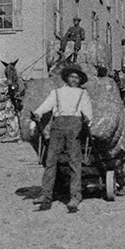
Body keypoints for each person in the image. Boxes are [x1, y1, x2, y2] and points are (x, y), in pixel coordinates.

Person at [31, 65, 93, 213]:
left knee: (74, 162)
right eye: (72, 76)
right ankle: (45, 195)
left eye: (77, 78)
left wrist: (87, 122)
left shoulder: (82, 94)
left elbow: (88, 113)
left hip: (74, 127)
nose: (74, 80)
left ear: (80, 80)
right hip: (57, 126)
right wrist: (38, 113)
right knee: (50, 161)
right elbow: (46, 105)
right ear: (66, 78)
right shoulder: (57, 92)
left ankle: (75, 197)